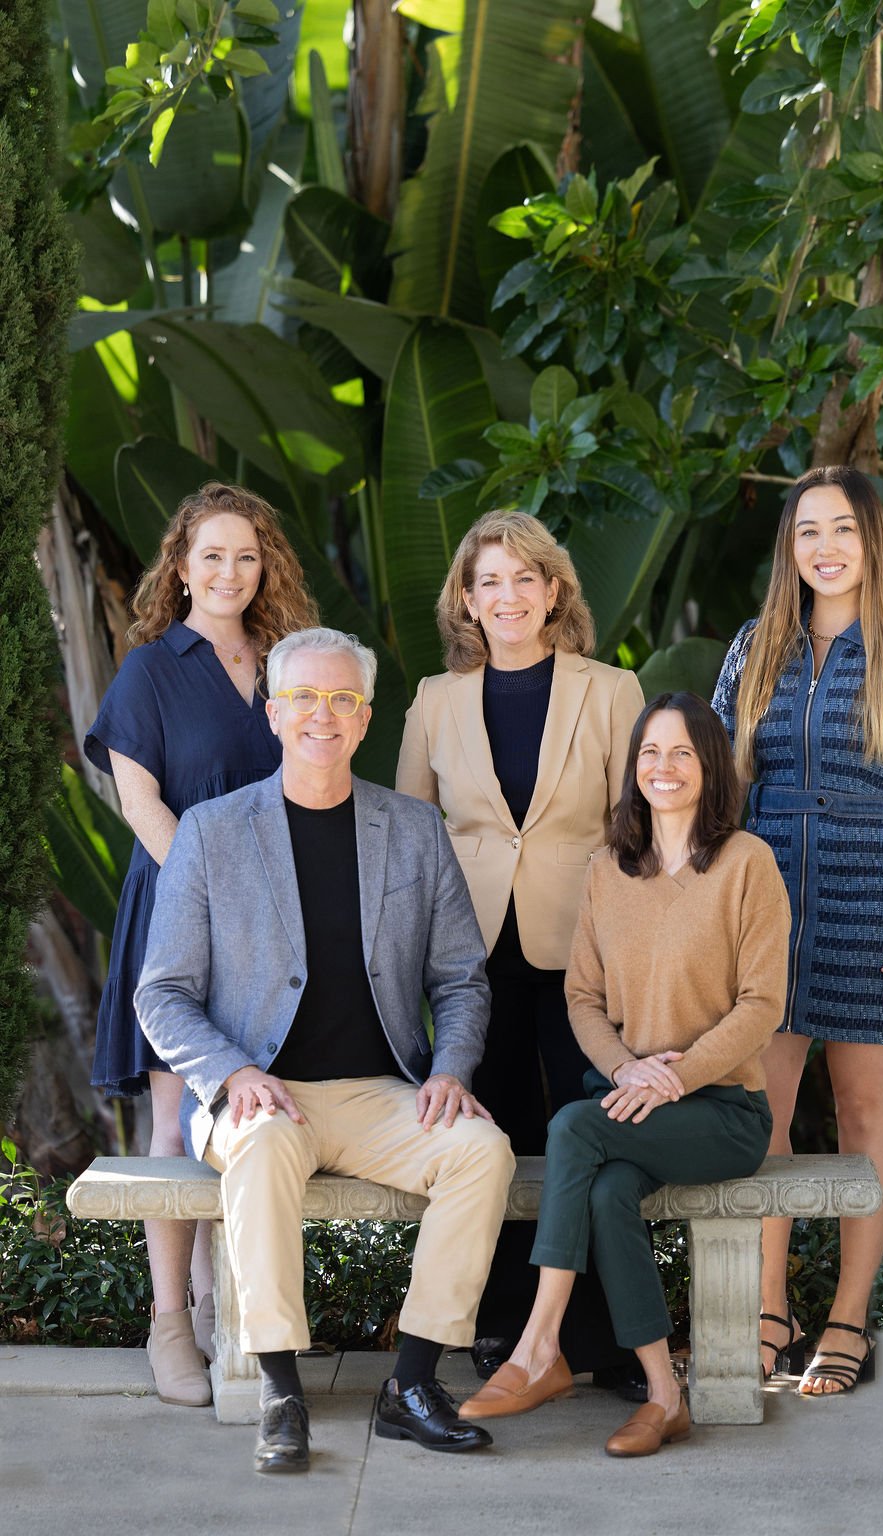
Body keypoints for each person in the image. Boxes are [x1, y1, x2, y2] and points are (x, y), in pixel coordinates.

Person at [135, 627, 516, 1475]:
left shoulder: (414, 830)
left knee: (482, 1152)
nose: (323, 715)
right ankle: (281, 1392)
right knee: (264, 1144)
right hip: (259, 1094)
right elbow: (161, 993)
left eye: (343, 700)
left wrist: (450, 1069)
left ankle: (412, 1384)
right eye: (304, 698)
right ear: (273, 714)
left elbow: (460, 978)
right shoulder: (211, 832)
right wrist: (232, 1073)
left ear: (366, 719)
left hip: (381, 1093)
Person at [457, 691, 789, 1455]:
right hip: (630, 1103)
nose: (664, 767)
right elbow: (582, 997)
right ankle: (665, 1396)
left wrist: (676, 1076)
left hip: (723, 1110)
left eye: (682, 753)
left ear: (710, 765)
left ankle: (538, 1347)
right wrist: (626, 1069)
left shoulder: (747, 863)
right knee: (607, 1193)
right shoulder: (609, 869)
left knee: (573, 1126)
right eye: (650, 752)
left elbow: (762, 1004)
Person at [712, 465, 883, 1395]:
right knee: (763, 1111)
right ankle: (769, 1309)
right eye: (808, 532)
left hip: (878, 901)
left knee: (866, 1110)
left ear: (873, 542)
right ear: (789, 548)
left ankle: (849, 1319)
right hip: (766, 898)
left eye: (843, 530)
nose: (825, 548)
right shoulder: (756, 646)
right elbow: (721, 786)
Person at [395, 509, 646, 1393]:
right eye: (489, 581)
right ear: (466, 598)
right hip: (469, 955)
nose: (507, 596)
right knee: (490, 1134)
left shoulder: (610, 689)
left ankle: (609, 1338)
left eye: (524, 578)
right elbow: (409, 835)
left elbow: (635, 828)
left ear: (554, 591)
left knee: (594, 1134)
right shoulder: (434, 700)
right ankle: (501, 1324)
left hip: (585, 945)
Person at [84, 483, 318, 1408]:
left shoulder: (288, 662)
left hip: (275, 922)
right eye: (212, 555)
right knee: (178, 1119)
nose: (230, 572)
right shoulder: (149, 671)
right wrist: (213, 891)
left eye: (246, 556)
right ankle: (171, 1321)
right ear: (181, 567)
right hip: (180, 910)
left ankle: (229, 1305)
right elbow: (139, 801)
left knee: (246, 1117)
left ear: (266, 568)